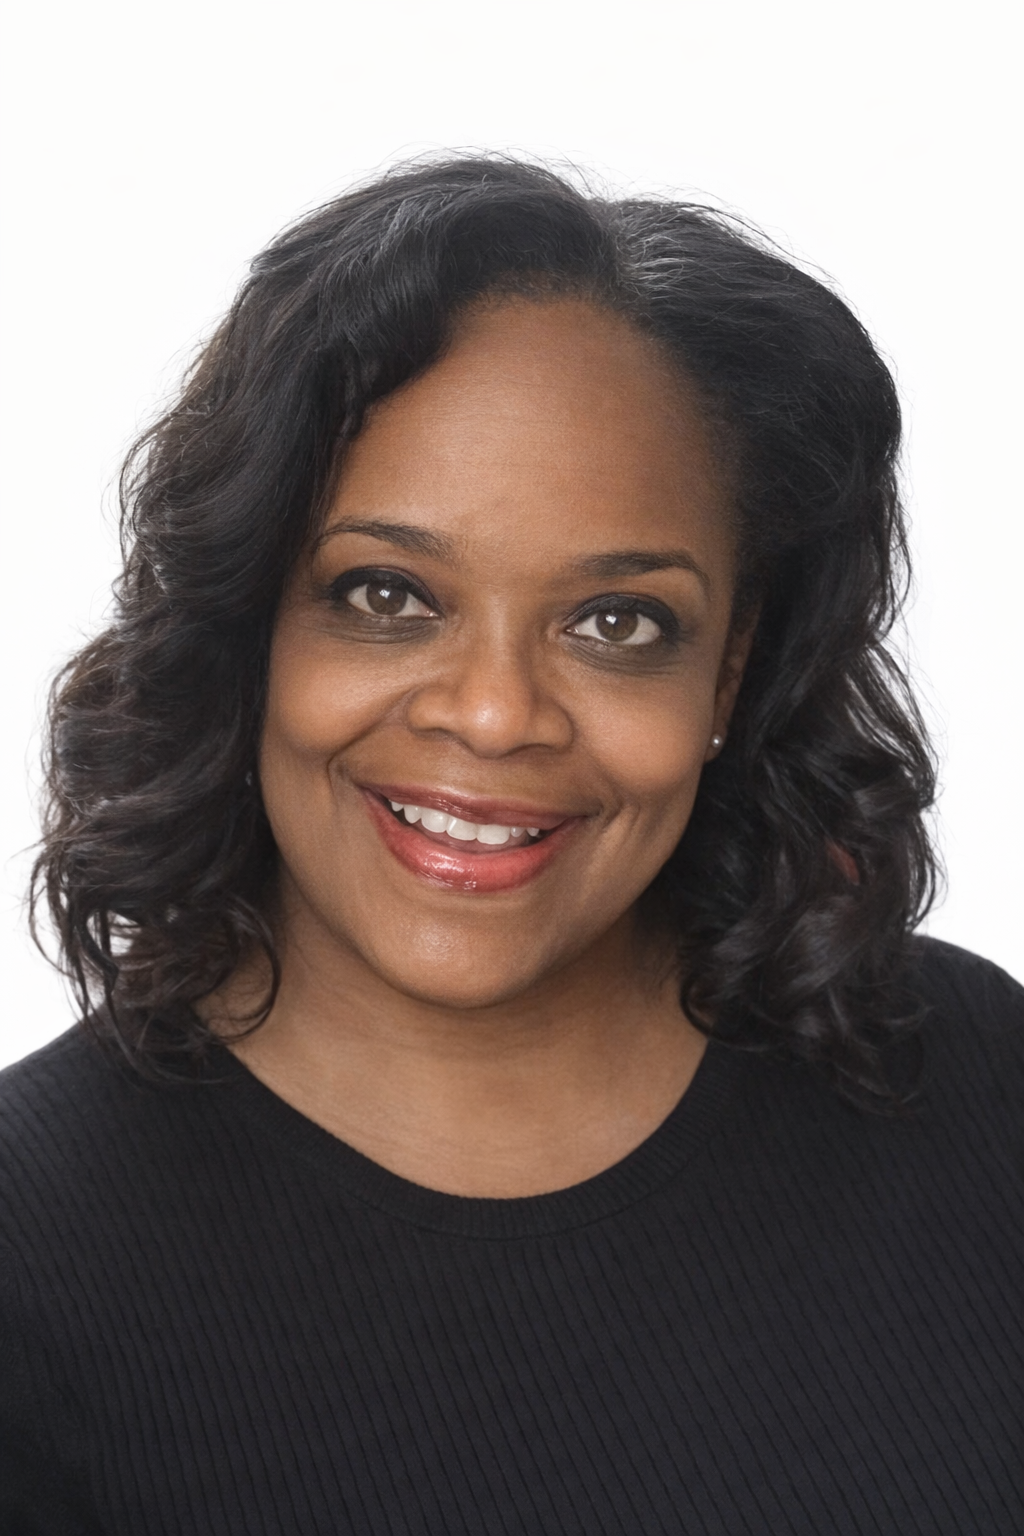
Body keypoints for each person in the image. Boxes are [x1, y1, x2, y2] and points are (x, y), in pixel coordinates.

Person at [1, 157, 1020, 1536]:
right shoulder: (35, 1260)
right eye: (387, 594)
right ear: (249, 629)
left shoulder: (968, 1074)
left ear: (728, 678)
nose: (493, 714)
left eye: (618, 622)